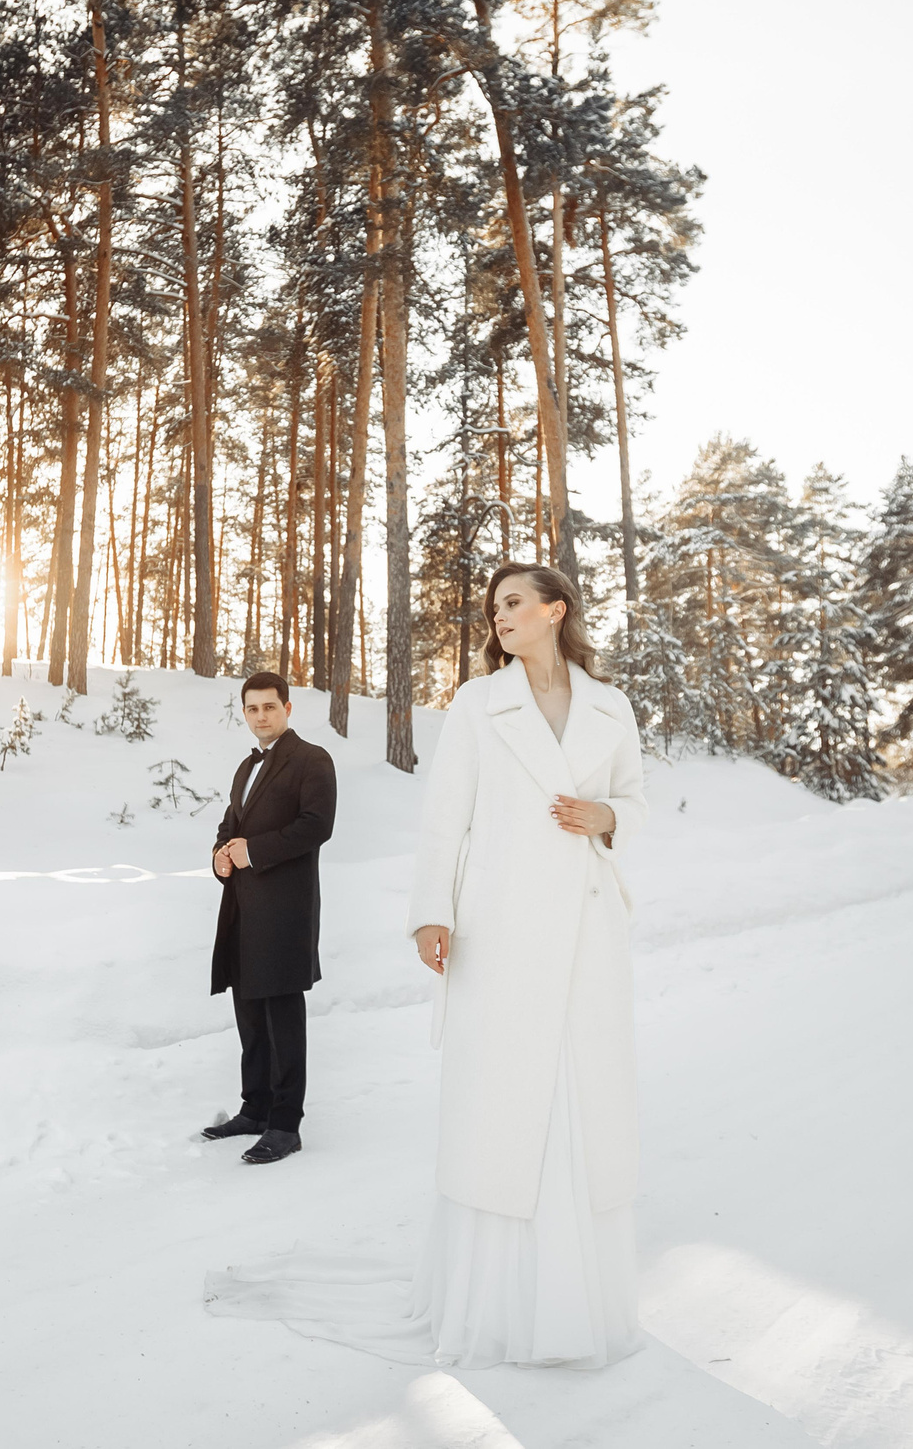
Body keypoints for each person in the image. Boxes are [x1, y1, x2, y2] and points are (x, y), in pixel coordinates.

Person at [205, 563, 649, 1368]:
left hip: (589, 930)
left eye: (514, 602)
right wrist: (431, 911)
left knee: (580, 1097)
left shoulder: (611, 706)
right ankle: (495, 1301)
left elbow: (637, 807)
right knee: (504, 1098)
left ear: (555, 610)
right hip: (500, 926)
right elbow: (447, 816)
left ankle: (576, 1300)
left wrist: (607, 813)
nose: (499, 614)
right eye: (494, 605)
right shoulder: (480, 703)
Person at [200, 670, 337, 1165]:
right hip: (242, 910)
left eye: (270, 707)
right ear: (245, 713)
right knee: (250, 1017)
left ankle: (284, 1124)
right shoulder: (246, 766)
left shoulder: (312, 760)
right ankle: (255, 1109)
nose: (261, 716)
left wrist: (252, 852)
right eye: (252, 708)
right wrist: (220, 853)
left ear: (287, 708)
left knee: (282, 1019)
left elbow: (316, 826)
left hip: (284, 912)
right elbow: (230, 824)